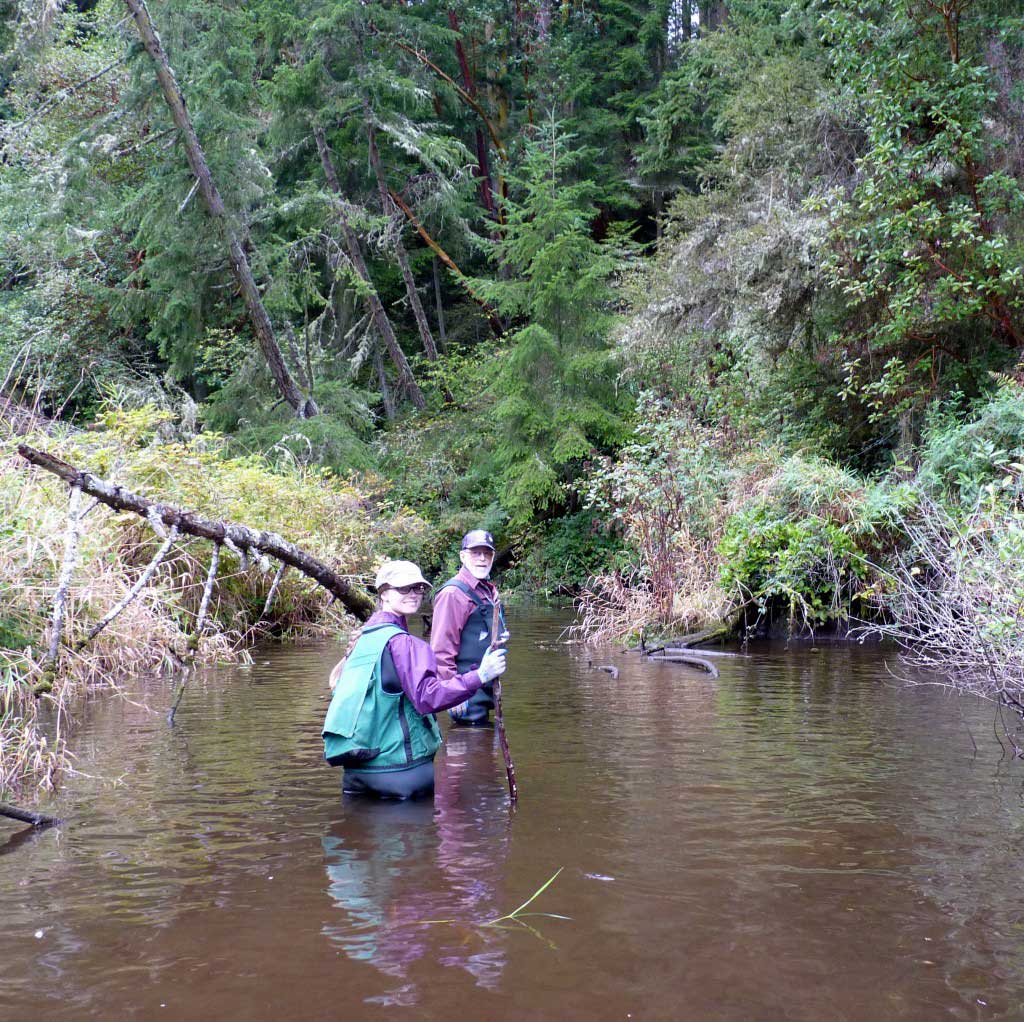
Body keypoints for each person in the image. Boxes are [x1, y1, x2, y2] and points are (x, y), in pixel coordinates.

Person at [322, 559, 507, 799]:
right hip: (401, 774)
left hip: (356, 774)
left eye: (418, 588)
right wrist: (481, 675)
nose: (413, 594)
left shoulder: (363, 637)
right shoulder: (404, 644)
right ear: (384, 594)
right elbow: (429, 697)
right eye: (403, 588)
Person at [430, 530, 508, 725]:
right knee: (469, 743)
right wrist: (452, 693)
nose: (482, 559)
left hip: (486, 687)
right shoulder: (453, 594)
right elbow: (440, 650)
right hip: (465, 692)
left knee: (483, 749)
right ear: (462, 556)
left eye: (487, 553)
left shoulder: (488, 590)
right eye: (475, 553)